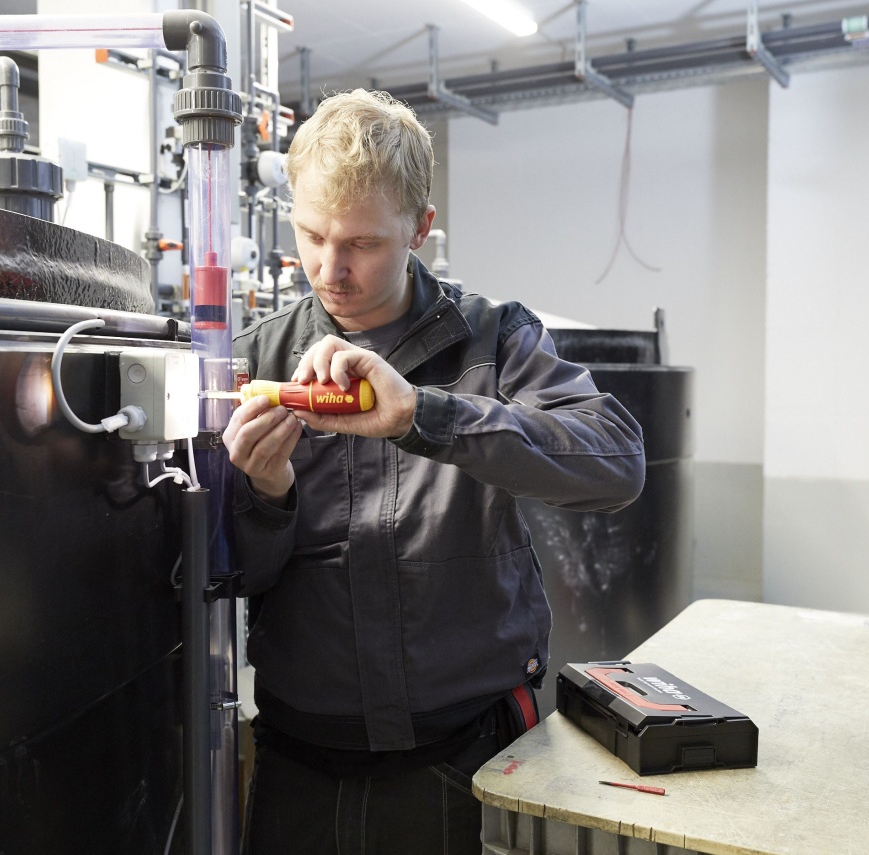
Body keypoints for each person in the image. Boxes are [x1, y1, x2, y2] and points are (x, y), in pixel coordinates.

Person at [223, 88, 645, 855]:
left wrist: (426, 414)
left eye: (363, 243)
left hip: (465, 758)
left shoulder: (494, 341)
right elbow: (231, 581)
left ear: (421, 228)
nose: (330, 268)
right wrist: (266, 495)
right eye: (311, 234)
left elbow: (616, 462)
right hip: (299, 768)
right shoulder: (258, 358)